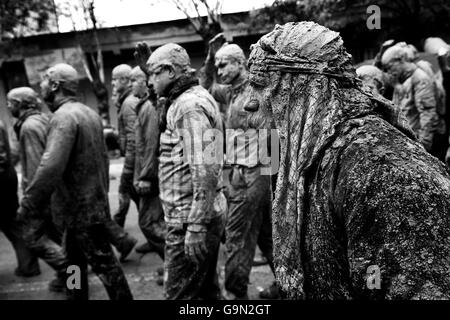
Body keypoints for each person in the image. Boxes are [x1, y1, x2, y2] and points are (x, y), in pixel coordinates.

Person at [243, 21, 450, 299]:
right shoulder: (313, 154)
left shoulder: (381, 170)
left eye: (259, 85)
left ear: (304, 86)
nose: (249, 102)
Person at [18, 63, 133, 300]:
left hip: (81, 210)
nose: (40, 87)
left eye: (44, 81)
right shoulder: (87, 112)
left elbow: (50, 166)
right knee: (74, 264)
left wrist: (29, 203)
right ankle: (76, 296)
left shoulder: (63, 117)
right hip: (83, 208)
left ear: (55, 85)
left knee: (104, 266)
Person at [147, 43, 227, 299]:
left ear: (170, 71)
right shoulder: (188, 99)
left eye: (153, 73)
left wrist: (196, 226)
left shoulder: (188, 105)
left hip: (188, 220)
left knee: (179, 297)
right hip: (195, 215)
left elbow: (205, 169)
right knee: (206, 291)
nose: (149, 81)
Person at [201, 35, 277, 299]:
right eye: (218, 66)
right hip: (246, 172)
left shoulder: (255, 92)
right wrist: (210, 60)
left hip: (253, 173)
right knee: (266, 234)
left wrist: (271, 176)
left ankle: (236, 294)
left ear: (239, 63)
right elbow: (205, 88)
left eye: (223, 65)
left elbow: (273, 135)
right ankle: (288, 282)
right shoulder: (231, 90)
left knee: (236, 234)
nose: (219, 71)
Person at [7, 87, 69, 291]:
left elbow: (35, 168)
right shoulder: (42, 119)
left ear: (20, 104)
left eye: (10, 102)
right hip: (54, 192)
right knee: (60, 239)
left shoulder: (29, 127)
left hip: (42, 195)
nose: (8, 107)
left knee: (32, 237)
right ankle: (71, 281)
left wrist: (29, 201)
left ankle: (71, 272)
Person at [382, 44, 447, 161]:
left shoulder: (420, 78)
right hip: (412, 139)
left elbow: (428, 113)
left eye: (390, 66)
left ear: (401, 60)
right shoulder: (404, 79)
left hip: (425, 142)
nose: (389, 71)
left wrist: (423, 145)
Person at [129, 66, 166, 269]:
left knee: (149, 222)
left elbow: (151, 145)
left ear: (145, 82)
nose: (130, 85)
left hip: (151, 176)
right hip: (147, 174)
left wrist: (145, 176)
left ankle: (175, 262)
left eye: (133, 80)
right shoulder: (144, 106)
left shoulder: (150, 108)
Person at [0, 118, 41, 278]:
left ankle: (67, 269)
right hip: (6, 175)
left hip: (2, 177)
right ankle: (28, 265)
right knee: (13, 224)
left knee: (13, 223)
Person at [111, 65, 141, 234]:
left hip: (134, 162)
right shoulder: (126, 101)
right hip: (134, 161)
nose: (112, 84)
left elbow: (133, 139)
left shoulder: (129, 103)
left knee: (124, 193)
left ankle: (118, 235)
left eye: (114, 79)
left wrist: (129, 167)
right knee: (137, 198)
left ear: (124, 80)